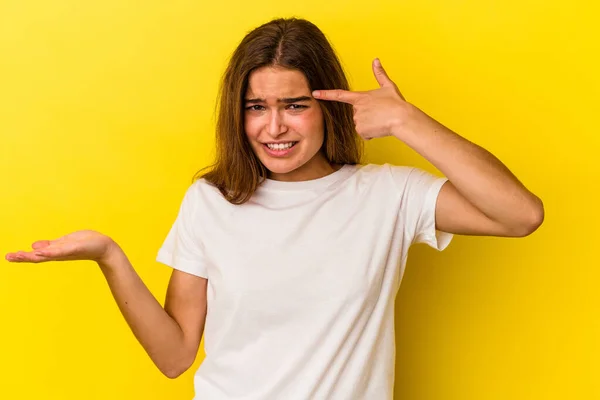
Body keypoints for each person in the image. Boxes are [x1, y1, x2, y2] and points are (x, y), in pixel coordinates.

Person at [5, 17, 544, 400]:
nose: (274, 127)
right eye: (256, 107)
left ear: (329, 105)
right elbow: (174, 358)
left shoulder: (387, 196)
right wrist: (110, 256)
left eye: (295, 105)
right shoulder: (210, 202)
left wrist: (408, 121)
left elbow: (520, 215)